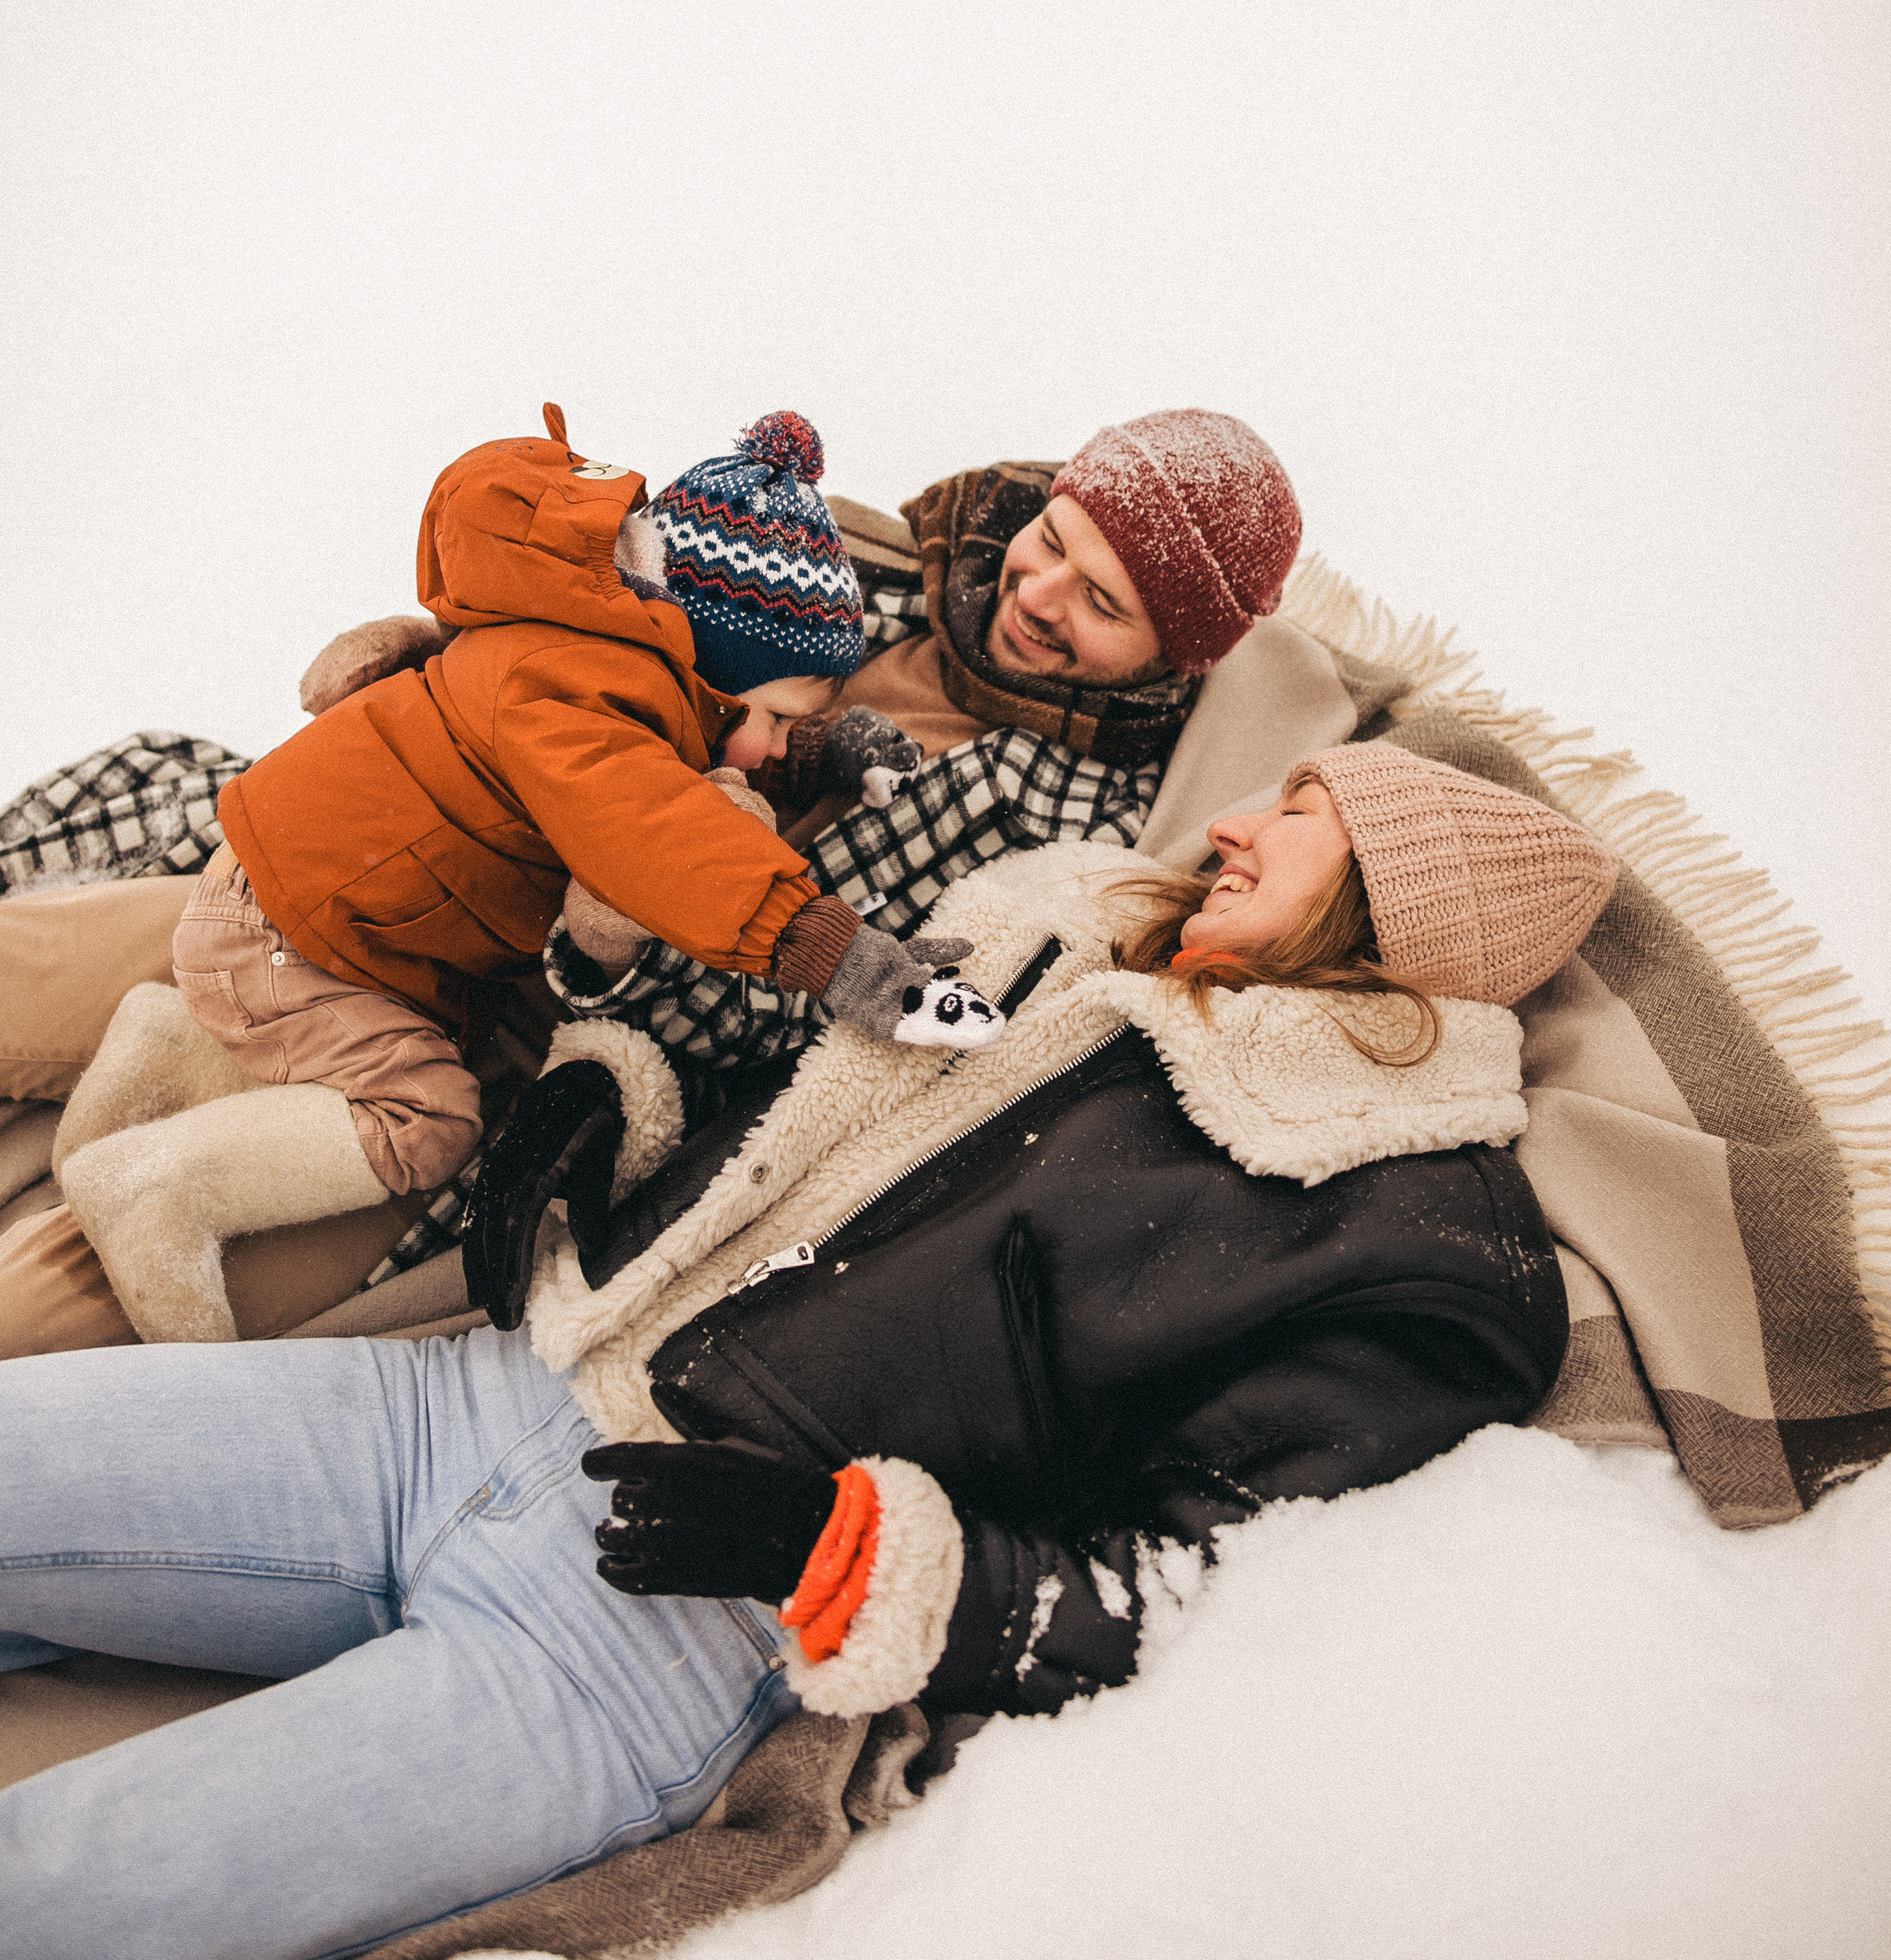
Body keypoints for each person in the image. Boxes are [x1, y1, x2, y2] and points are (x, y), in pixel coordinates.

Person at [0, 739, 1619, 1960]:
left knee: (67, 1884)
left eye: (1295, 820)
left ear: (1402, 908)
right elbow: (782, 1089)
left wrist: (844, 1548)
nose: (1226, 825)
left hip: (656, 1626)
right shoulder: (1063, 924)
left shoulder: (1413, 1245)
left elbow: (1172, 1598)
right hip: (471, 1402)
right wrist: (599, 1111)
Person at [0, 406, 1317, 1356]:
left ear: (1169, 657)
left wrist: (603, 968)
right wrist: (435, 658)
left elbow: (780, 1018)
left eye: (1105, 604)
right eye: (1058, 540)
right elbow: (587, 603)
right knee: (43, 967)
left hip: (522, 1038)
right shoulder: (873, 556)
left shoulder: (1054, 815)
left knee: (88, 1285)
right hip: (392, 858)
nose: (1043, 590)